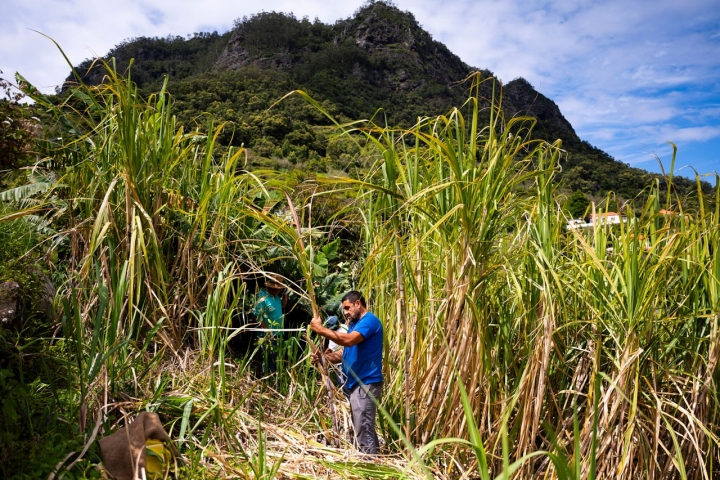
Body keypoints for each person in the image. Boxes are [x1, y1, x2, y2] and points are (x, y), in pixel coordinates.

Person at [310, 291, 384, 454]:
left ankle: (369, 464)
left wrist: (321, 330)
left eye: (347, 308)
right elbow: (345, 353)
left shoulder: (369, 321)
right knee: (363, 425)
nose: (345, 312)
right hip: (355, 384)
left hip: (366, 382)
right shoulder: (354, 325)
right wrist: (324, 358)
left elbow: (348, 341)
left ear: (358, 303)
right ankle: (374, 460)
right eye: (344, 309)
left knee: (362, 426)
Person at [254, 273, 288, 374]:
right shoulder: (262, 298)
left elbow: (283, 305)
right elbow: (258, 316)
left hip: (278, 334)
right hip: (267, 335)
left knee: (275, 358)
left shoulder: (276, 297)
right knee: (268, 358)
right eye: (278, 289)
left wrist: (285, 294)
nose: (279, 290)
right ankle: (267, 379)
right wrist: (268, 332)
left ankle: (273, 378)